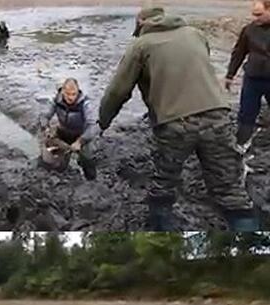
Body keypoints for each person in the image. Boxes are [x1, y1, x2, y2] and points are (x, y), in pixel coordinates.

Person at [98, 7, 258, 231]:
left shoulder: (140, 45)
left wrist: (102, 122)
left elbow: (118, 92)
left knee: (164, 184)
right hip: (218, 116)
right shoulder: (194, 34)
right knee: (231, 191)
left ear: (141, 23)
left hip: (175, 125)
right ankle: (249, 244)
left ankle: (160, 236)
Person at [226, 1, 270, 155]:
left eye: (259, 14)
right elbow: (238, 53)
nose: (255, 18)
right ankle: (240, 146)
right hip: (253, 79)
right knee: (246, 113)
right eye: (254, 14)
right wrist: (230, 75)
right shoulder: (249, 30)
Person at [39, 78, 99, 180]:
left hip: (82, 135)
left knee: (88, 162)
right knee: (56, 162)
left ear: (78, 92)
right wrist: (46, 128)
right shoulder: (56, 100)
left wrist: (80, 141)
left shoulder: (85, 104)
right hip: (64, 131)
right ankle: (61, 172)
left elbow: (92, 126)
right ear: (62, 92)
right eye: (68, 94)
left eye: (73, 94)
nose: (71, 98)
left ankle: (91, 179)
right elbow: (44, 116)